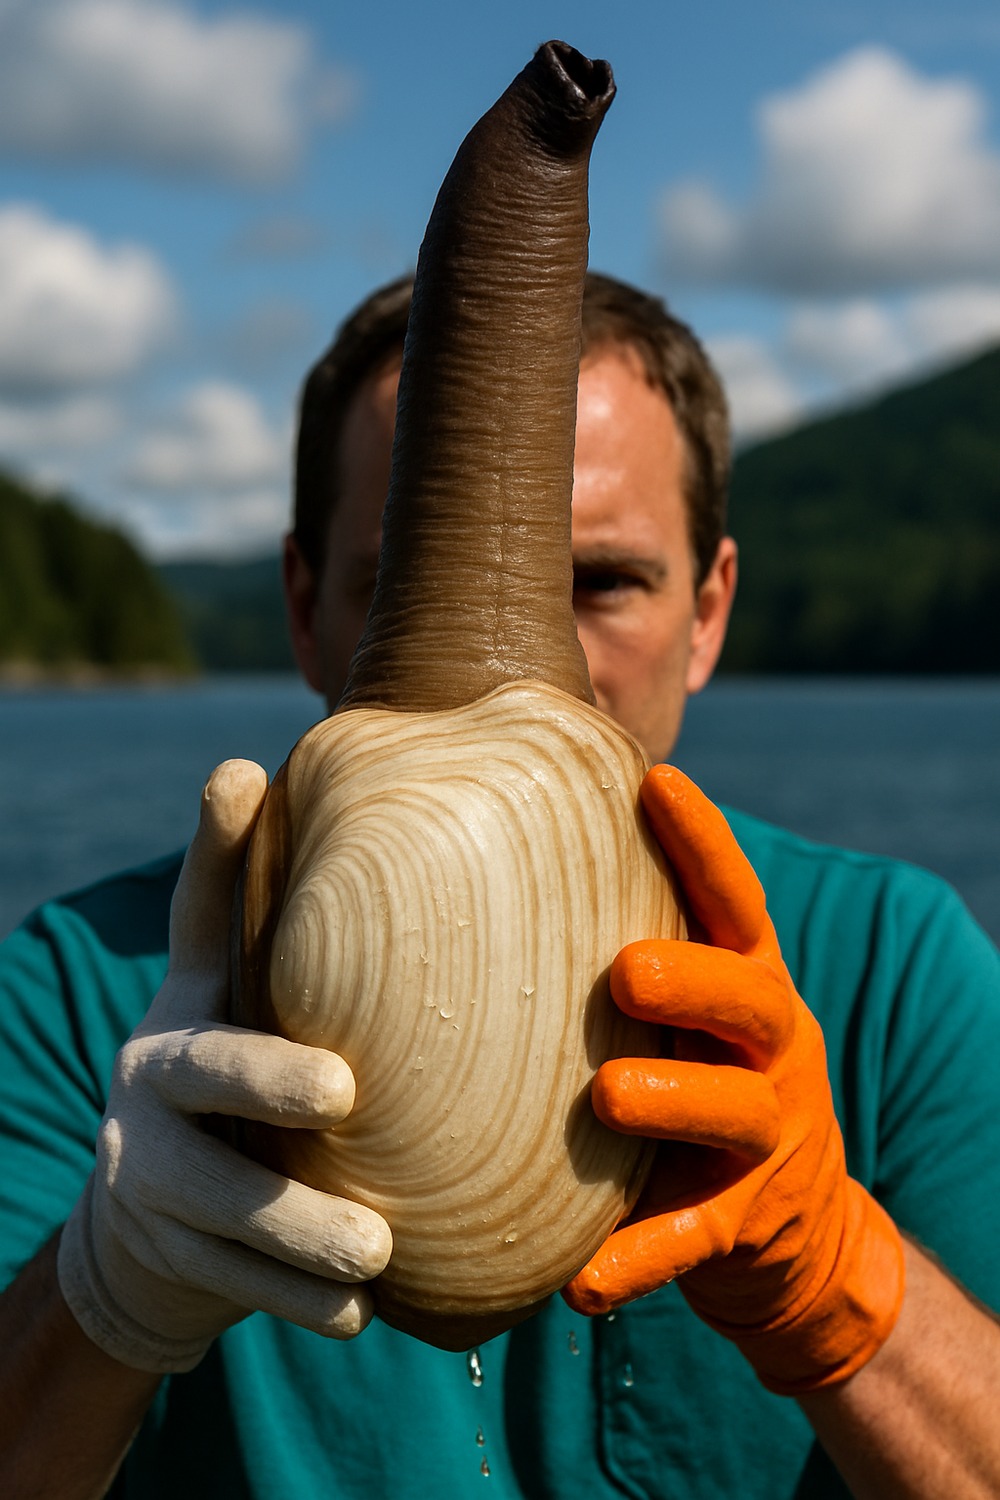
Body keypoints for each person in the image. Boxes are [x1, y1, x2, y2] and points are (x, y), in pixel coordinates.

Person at [1, 271, 999, 1500]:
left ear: (708, 611)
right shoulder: (77, 994)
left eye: (605, 582)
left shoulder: (895, 966)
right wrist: (101, 1294)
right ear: (306, 609)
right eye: (410, 579)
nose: (537, 675)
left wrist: (833, 1278)